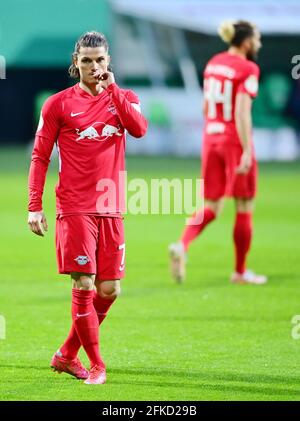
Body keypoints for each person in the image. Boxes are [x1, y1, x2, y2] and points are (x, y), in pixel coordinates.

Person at [28, 31, 148, 384]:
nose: (94, 66)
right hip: (75, 204)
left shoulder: (125, 97)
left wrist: (113, 90)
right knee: (84, 282)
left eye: (100, 60)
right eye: (86, 61)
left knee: (109, 290)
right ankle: (97, 364)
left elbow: (139, 129)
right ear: (75, 63)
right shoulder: (57, 105)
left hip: (111, 205)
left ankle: (66, 355)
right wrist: (34, 206)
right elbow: (40, 156)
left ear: (109, 61)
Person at [169, 20, 267, 285]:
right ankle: (240, 271)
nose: (258, 43)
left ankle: (182, 244)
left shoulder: (214, 63)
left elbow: (205, 106)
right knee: (244, 206)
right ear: (246, 42)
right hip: (234, 139)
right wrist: (247, 149)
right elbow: (241, 110)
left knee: (212, 204)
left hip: (210, 137)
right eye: (257, 39)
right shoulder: (248, 68)